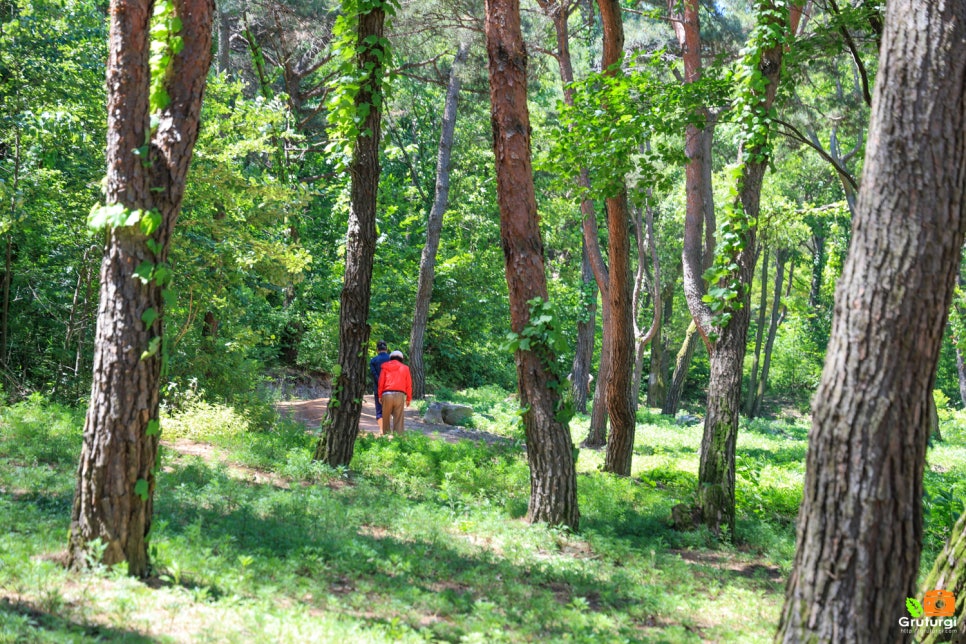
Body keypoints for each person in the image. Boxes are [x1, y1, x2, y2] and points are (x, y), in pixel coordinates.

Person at [377, 350, 412, 436]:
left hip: (387, 394)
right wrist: (408, 398)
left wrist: (380, 395)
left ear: (390, 358)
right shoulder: (405, 368)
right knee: (398, 419)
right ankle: (398, 440)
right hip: (400, 395)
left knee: (385, 418)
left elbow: (381, 382)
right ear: (401, 359)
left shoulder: (385, 367)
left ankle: (385, 438)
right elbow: (409, 384)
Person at [369, 340, 392, 432]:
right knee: (388, 410)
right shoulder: (392, 359)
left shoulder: (373, 361)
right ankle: (388, 429)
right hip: (390, 388)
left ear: (377, 350)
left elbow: (374, 374)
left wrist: (380, 382)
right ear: (386, 349)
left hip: (378, 389)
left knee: (379, 411)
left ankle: (382, 430)